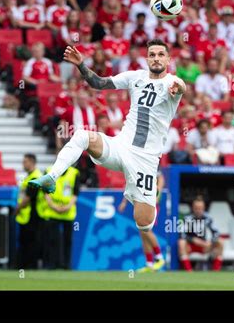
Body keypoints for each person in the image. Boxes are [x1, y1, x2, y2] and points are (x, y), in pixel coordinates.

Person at [30, 39, 186, 233]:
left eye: (161, 54)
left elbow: (180, 87)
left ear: (169, 59)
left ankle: (140, 198)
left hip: (146, 158)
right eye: (152, 54)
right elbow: (98, 83)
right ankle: (52, 177)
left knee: (144, 223)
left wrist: (177, 89)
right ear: (146, 59)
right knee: (82, 136)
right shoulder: (134, 77)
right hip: (121, 146)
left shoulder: (173, 81)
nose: (156, 58)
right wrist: (80, 64)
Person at [118, 171, 166, 272]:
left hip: (149, 200)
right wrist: (124, 202)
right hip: (138, 200)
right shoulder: (134, 165)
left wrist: (157, 196)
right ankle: (149, 264)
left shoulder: (149, 161)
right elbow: (130, 185)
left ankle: (159, 257)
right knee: (142, 232)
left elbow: (161, 179)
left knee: (147, 229)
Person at [43, 165, 80, 269]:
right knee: (51, 239)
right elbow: (45, 191)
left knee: (67, 240)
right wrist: (53, 206)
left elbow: (76, 192)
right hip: (52, 211)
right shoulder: (49, 170)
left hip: (68, 212)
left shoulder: (74, 173)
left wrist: (68, 206)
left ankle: (66, 264)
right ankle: (51, 264)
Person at [14, 154, 47, 269]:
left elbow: (28, 198)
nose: (23, 164)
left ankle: (30, 265)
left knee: (31, 241)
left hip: (33, 214)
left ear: (32, 162)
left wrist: (17, 208)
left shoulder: (35, 177)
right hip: (28, 214)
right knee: (27, 241)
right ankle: (26, 264)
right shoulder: (31, 176)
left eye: (25, 162)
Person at [178, 196, 224, 272]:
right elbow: (181, 234)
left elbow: (216, 233)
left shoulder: (208, 218)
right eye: (196, 208)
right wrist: (193, 240)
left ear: (204, 208)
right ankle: (189, 271)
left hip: (204, 246)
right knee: (181, 242)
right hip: (191, 246)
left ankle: (216, 271)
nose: (198, 210)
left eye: (200, 208)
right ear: (193, 208)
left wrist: (210, 242)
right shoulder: (187, 218)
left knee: (220, 241)